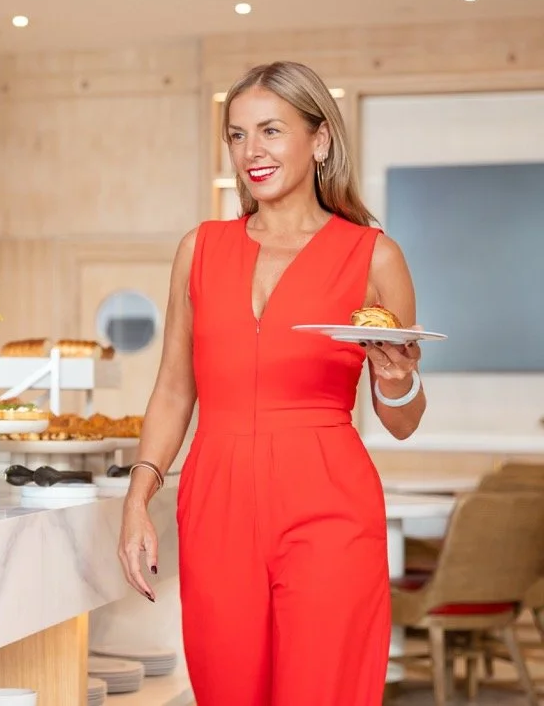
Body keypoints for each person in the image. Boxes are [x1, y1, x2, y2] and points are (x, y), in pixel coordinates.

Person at [117, 61, 427, 705]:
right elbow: (175, 390)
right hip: (216, 498)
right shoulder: (199, 249)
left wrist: (395, 380)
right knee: (227, 689)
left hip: (329, 500)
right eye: (236, 135)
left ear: (320, 140)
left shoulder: (374, 256)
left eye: (270, 130)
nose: (251, 151)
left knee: (324, 690)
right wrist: (137, 497)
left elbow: (401, 417)